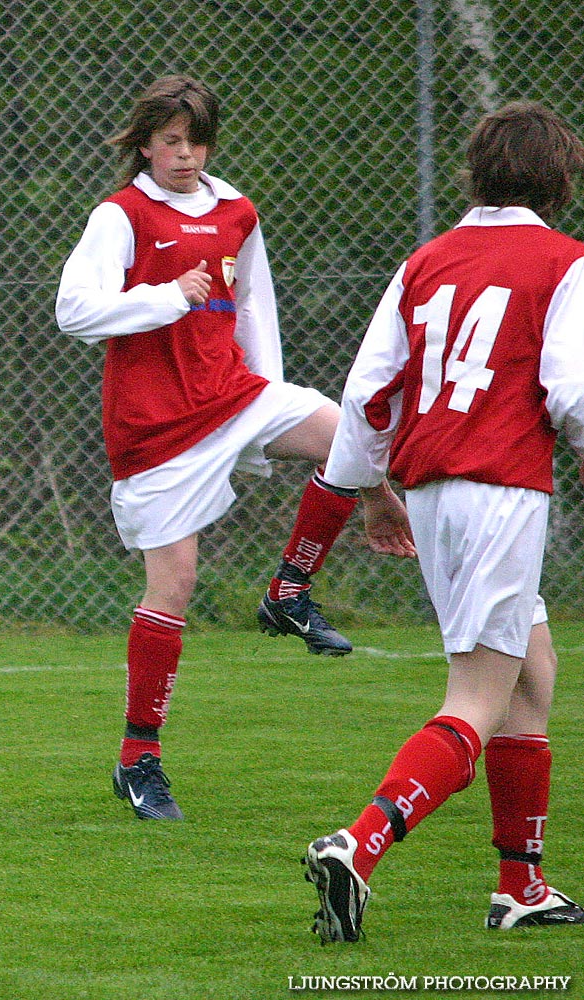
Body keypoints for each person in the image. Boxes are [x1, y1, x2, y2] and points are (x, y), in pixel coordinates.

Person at [54, 75, 413, 820]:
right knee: (173, 587)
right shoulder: (121, 215)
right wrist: (163, 297)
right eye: (172, 141)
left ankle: (289, 591)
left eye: (198, 141)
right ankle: (139, 759)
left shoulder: (236, 211)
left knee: (348, 431)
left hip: (233, 395)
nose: (186, 155)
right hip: (154, 428)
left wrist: (265, 398)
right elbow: (73, 310)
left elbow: (254, 307)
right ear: (145, 143)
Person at [304, 100, 584, 941]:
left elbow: (366, 390)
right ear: (561, 178)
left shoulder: (424, 261)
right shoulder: (565, 262)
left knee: (533, 675)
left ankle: (521, 886)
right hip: (502, 492)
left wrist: (365, 487)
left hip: (430, 493)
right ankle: (359, 844)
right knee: (477, 697)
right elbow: (571, 392)